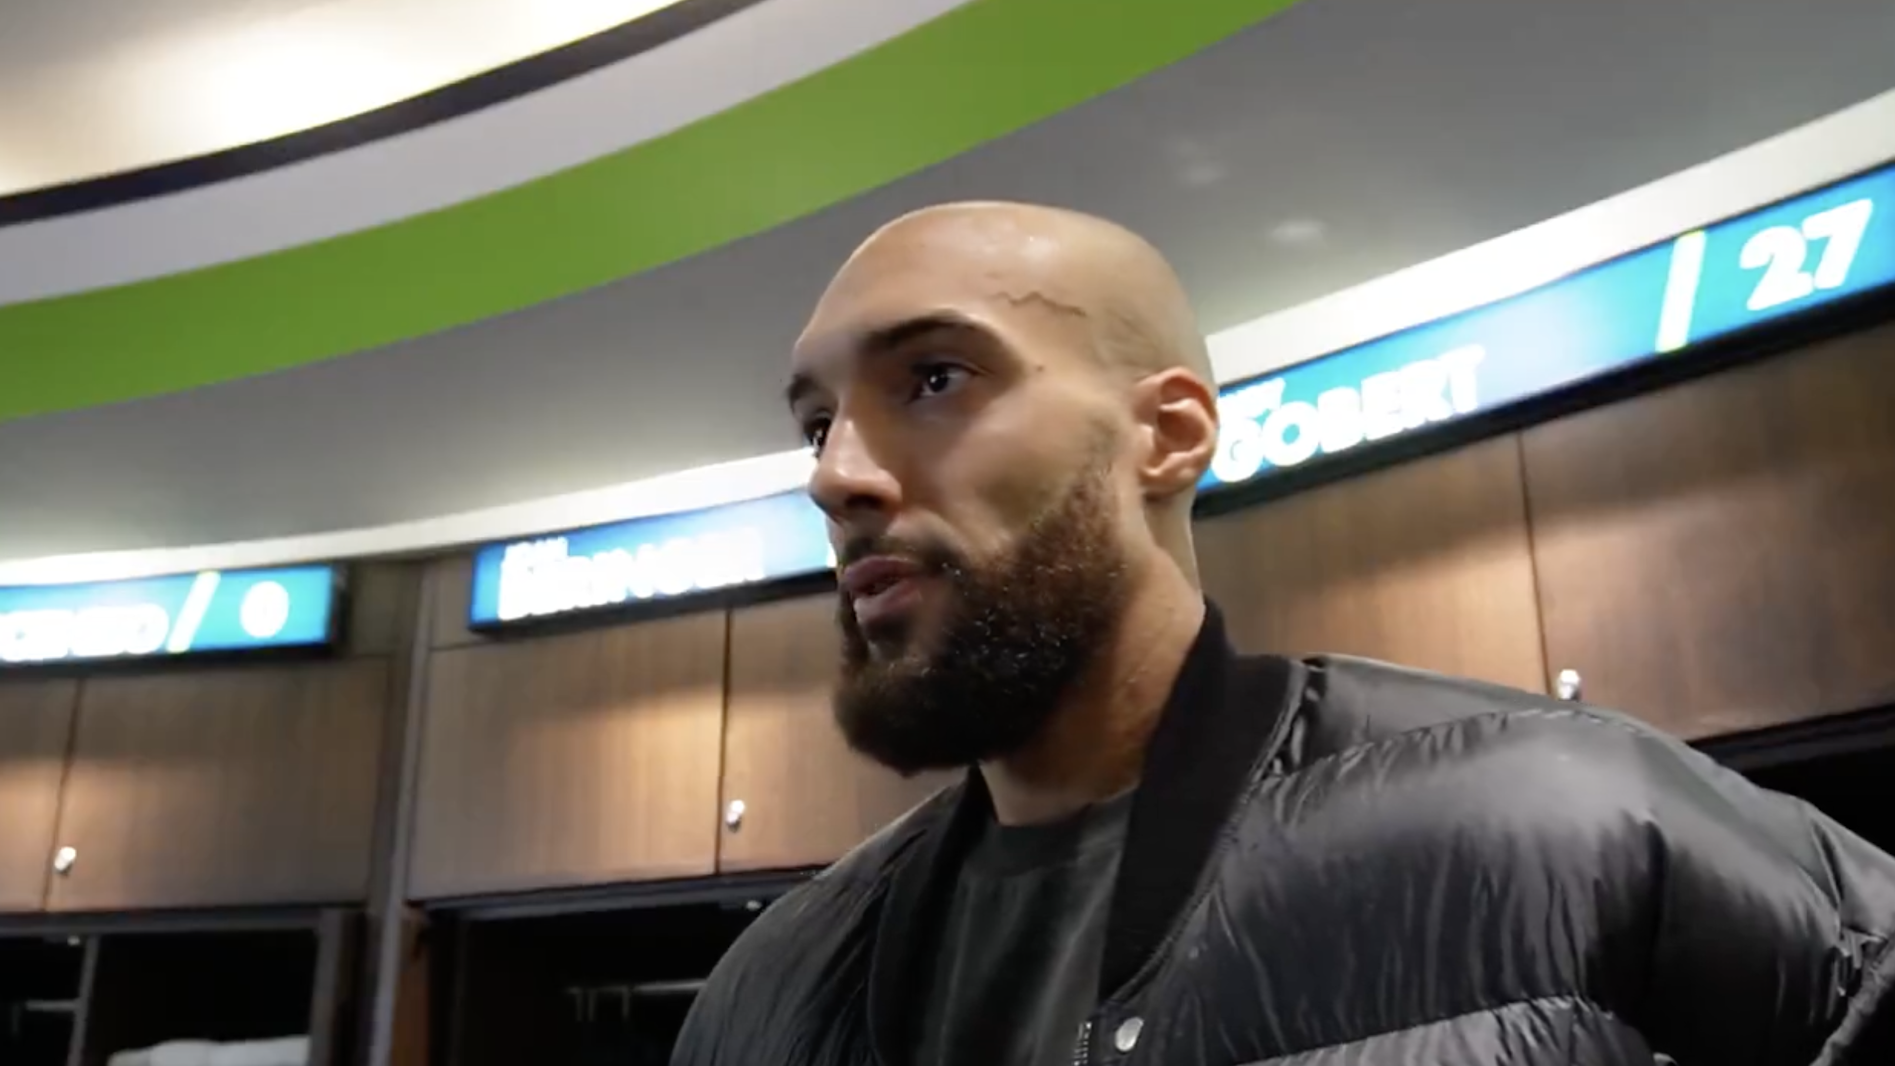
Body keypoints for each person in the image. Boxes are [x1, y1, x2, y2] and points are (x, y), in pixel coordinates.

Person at [671, 202, 1895, 1066]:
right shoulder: (768, 988)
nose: (835, 475)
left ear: (1166, 436)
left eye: (933, 378)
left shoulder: (1560, 826)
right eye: (815, 424)